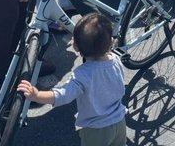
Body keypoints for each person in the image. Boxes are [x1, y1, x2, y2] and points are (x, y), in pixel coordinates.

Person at [18, 13, 126, 146]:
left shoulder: (83, 75)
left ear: (76, 47)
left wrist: (37, 95)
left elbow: (63, 94)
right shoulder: (116, 60)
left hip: (96, 129)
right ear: (110, 42)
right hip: (120, 121)